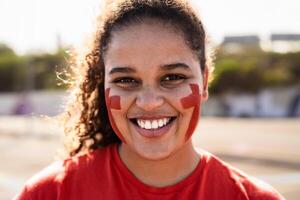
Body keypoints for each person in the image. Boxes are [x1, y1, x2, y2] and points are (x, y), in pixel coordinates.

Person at [14, 0, 285, 199]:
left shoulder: (252, 197)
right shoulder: (50, 193)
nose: (149, 102)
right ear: (103, 84)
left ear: (204, 80)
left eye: (172, 77)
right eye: (126, 80)